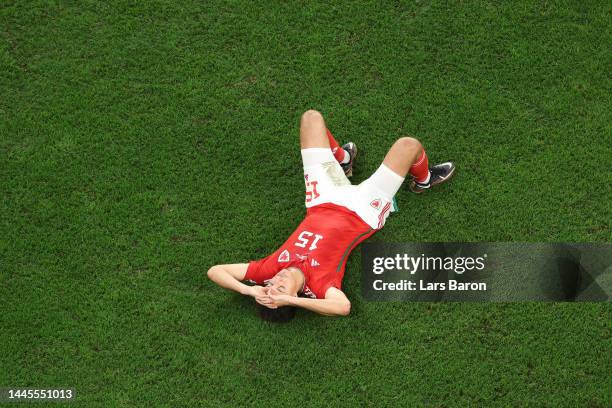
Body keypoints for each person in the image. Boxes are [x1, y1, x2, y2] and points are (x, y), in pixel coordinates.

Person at [207, 110, 455, 321]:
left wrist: (249, 291)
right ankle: (423, 181)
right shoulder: (319, 287)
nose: (275, 281)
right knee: (408, 145)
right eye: (280, 289)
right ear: (293, 297)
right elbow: (343, 307)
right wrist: (291, 301)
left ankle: (344, 160)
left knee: (311, 118)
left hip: (321, 199)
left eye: (269, 286)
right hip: (363, 210)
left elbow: (215, 271)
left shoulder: (268, 269)